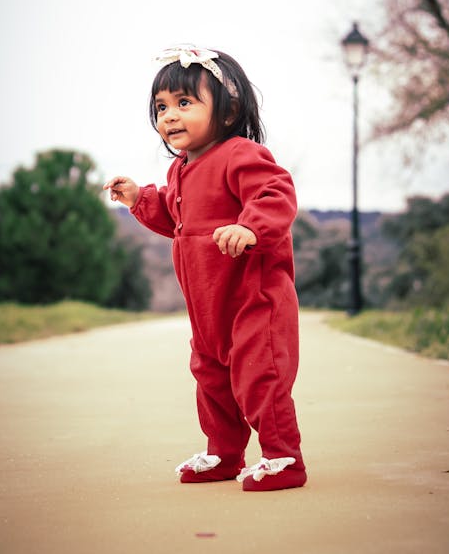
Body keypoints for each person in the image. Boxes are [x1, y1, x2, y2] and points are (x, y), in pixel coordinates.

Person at [103, 45, 307, 492]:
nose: (170, 116)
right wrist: (141, 198)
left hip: (254, 298)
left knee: (259, 377)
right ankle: (224, 452)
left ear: (229, 109)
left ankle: (283, 457)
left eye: (184, 103)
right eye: (161, 107)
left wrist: (250, 227)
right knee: (211, 378)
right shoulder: (180, 171)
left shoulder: (240, 154)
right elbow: (178, 222)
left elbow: (275, 193)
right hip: (208, 308)